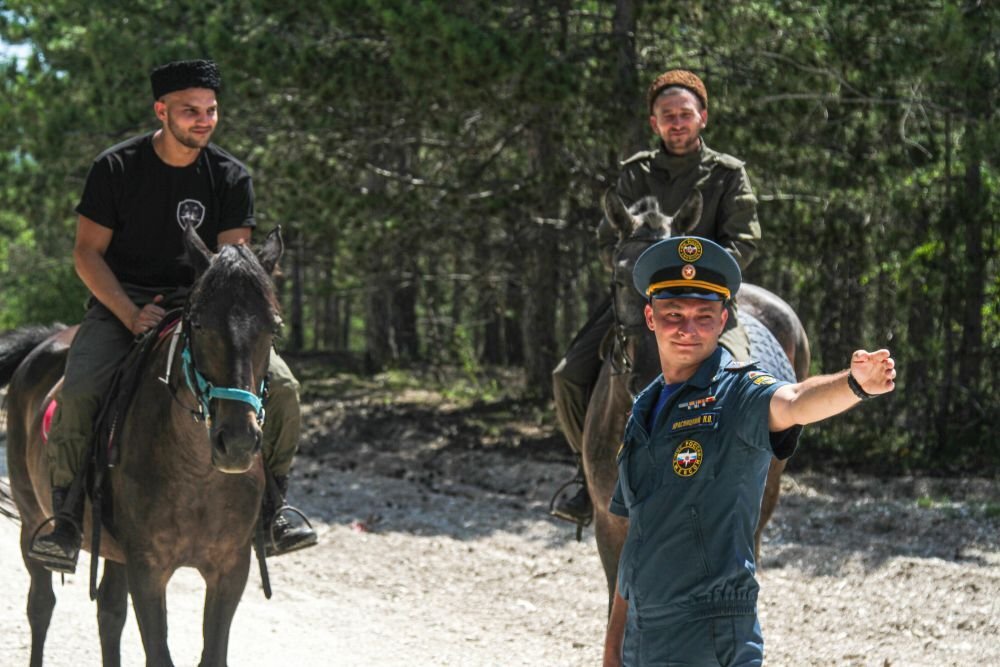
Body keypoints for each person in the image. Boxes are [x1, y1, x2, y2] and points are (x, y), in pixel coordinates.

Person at [31, 59, 317, 573]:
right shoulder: (115, 169)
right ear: (161, 111)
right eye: (190, 111)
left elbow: (232, 269)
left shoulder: (231, 176)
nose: (203, 120)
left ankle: (275, 506)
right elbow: (86, 254)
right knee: (78, 392)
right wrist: (127, 311)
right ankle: (68, 515)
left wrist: (199, 314)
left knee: (286, 388)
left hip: (202, 308)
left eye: (211, 110)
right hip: (123, 304)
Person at [602, 236, 896, 666]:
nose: (688, 329)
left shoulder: (737, 392)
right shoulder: (643, 409)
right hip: (642, 643)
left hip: (710, 640)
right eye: (673, 315)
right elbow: (634, 547)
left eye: (704, 316)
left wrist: (853, 385)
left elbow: (794, 400)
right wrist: (612, 654)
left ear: (724, 320)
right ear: (650, 316)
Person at [551, 68, 761, 524]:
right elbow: (608, 237)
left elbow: (743, 240)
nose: (677, 123)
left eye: (685, 114)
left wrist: (697, 277)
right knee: (568, 375)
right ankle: (586, 475)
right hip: (637, 296)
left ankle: (742, 477)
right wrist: (633, 266)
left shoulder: (727, 175)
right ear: (654, 123)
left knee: (742, 375)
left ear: (702, 117)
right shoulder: (634, 173)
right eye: (668, 116)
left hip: (706, 298)